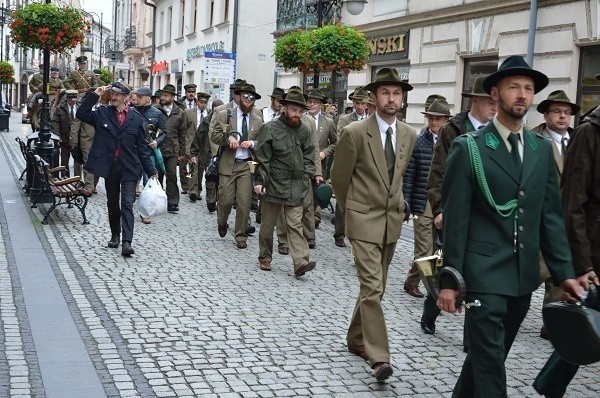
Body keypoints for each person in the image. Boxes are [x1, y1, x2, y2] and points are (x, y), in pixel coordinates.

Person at [436, 55, 584, 398]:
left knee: (489, 356)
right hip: (481, 275)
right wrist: (449, 280)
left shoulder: (541, 150)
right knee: (490, 366)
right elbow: (456, 220)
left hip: (522, 277)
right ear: (495, 94)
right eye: (513, 86)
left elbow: (550, 216)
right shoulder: (469, 148)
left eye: (528, 89)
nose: (522, 94)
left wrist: (565, 274)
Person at [331, 67, 416, 381]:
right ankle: (379, 357)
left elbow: (401, 176)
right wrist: (353, 210)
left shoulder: (408, 134)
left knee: (374, 289)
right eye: (385, 93)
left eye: (396, 93)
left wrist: (403, 204)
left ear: (402, 98)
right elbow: (339, 179)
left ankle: (355, 338)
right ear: (374, 97)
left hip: (391, 222)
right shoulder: (355, 133)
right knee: (373, 286)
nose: (391, 99)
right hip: (363, 219)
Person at [421, 76, 496, 337]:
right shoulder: (451, 130)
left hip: (483, 216)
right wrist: (439, 209)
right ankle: (430, 312)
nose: (494, 106)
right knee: (448, 269)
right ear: (476, 100)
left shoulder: (498, 132)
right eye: (490, 101)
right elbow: (437, 173)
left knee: (478, 277)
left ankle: (470, 337)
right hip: (452, 212)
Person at [76, 82, 158, 256]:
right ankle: (115, 234)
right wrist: (95, 95)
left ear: (126, 97)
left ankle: (127, 242)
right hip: (110, 166)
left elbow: (142, 149)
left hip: (129, 167)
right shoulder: (102, 113)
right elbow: (81, 113)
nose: (114, 97)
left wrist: (151, 171)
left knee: (127, 203)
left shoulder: (136, 118)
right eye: (112, 94)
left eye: (118, 95)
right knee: (112, 203)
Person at [531, 90, 580, 338]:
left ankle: (551, 324)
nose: (563, 117)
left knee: (559, 275)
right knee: (534, 271)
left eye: (567, 113)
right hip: (539, 217)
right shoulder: (533, 139)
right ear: (546, 114)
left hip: (569, 219)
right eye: (557, 112)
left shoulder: (578, 139)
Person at [254, 88, 317, 275]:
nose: (296, 114)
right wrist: (260, 181)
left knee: (295, 225)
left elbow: (309, 156)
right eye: (293, 110)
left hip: (296, 185)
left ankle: (300, 262)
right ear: (284, 108)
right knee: (267, 225)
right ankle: (265, 257)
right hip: (273, 183)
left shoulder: (304, 132)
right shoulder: (270, 128)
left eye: (300, 111)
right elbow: (262, 158)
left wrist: (306, 176)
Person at [403, 99, 451, 300]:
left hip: (443, 203)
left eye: (438, 119)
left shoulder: (454, 141)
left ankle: (411, 281)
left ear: (446, 120)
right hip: (422, 203)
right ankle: (434, 292)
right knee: (424, 250)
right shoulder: (419, 142)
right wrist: (406, 203)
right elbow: (409, 175)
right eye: (430, 118)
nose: (433, 122)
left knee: (436, 250)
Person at [210, 83, 263, 248]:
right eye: (245, 96)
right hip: (228, 164)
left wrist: (252, 143)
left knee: (244, 202)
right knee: (225, 200)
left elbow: (263, 142)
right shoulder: (225, 114)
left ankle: (240, 235)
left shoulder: (258, 119)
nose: (248, 100)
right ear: (239, 97)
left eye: (252, 98)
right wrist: (228, 139)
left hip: (246, 165)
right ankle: (222, 221)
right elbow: (214, 135)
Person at [331, 87, 372, 248]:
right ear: (353, 103)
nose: (359, 106)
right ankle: (339, 233)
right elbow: (342, 140)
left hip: (365, 165)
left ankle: (358, 234)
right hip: (348, 163)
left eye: (362, 103)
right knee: (343, 198)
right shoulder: (345, 119)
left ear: (367, 104)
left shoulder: (372, 119)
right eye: (357, 103)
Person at [307, 89, 337, 232]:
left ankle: (311, 228)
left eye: (315, 102)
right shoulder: (301, 118)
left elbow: (335, 142)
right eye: (309, 101)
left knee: (315, 199)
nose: (312, 104)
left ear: (321, 105)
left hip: (320, 166)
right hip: (303, 166)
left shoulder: (328, 122)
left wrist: (325, 152)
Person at [156, 84, 187, 213]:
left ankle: (172, 202)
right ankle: (157, 200)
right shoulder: (155, 110)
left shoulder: (180, 112)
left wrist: (182, 152)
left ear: (172, 97)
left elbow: (183, 133)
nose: (163, 97)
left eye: (166, 95)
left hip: (173, 149)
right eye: (162, 95)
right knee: (157, 176)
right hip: (157, 149)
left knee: (172, 176)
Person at [191, 98, 223, 213]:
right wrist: (194, 153)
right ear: (213, 109)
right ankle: (211, 201)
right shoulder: (206, 121)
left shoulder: (226, 120)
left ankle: (219, 201)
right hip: (207, 153)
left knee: (220, 180)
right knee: (210, 177)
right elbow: (198, 137)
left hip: (222, 155)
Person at [184, 91, 211, 201]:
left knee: (200, 170)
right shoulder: (189, 112)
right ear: (197, 101)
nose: (203, 104)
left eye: (205, 102)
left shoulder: (209, 114)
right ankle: (192, 190)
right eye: (201, 102)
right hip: (191, 145)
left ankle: (198, 190)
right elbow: (184, 129)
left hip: (204, 147)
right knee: (192, 170)